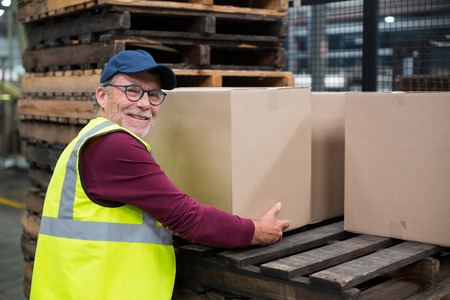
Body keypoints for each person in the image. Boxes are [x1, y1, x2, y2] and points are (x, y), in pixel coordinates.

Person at [30, 50, 290, 300]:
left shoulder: (92, 137)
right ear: (102, 96)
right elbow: (188, 218)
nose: (144, 104)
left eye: (154, 95)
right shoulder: (113, 145)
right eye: (132, 90)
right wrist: (258, 231)